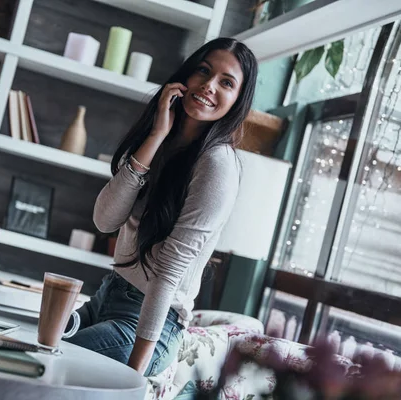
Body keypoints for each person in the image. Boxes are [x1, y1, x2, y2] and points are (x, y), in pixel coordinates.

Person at [67, 37, 258, 377]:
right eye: (204, 71)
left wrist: (134, 375)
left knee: (51, 361)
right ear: (186, 76)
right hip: (105, 298)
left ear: (237, 101)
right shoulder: (156, 140)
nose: (209, 86)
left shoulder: (217, 164)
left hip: (147, 328)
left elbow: (168, 273)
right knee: (27, 340)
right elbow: (105, 220)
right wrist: (155, 137)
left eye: (226, 83)